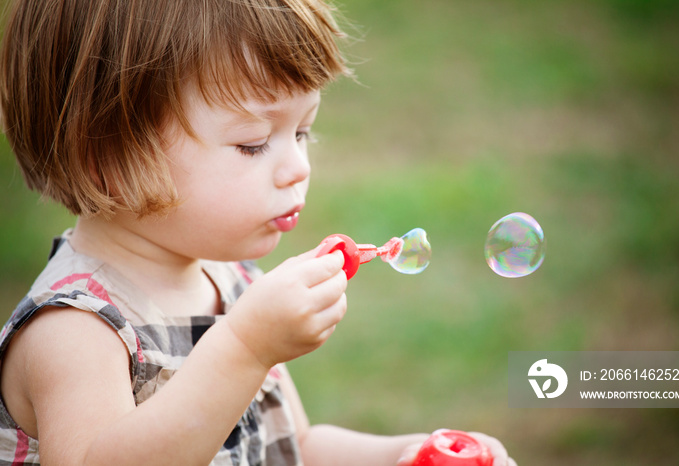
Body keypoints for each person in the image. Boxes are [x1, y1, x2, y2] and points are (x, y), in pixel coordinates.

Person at [0, 0, 517, 465]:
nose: (298, 168)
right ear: (108, 158)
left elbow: (297, 448)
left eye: (302, 131)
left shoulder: (235, 282)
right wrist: (244, 349)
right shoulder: (75, 330)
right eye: (252, 142)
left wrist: (405, 454)